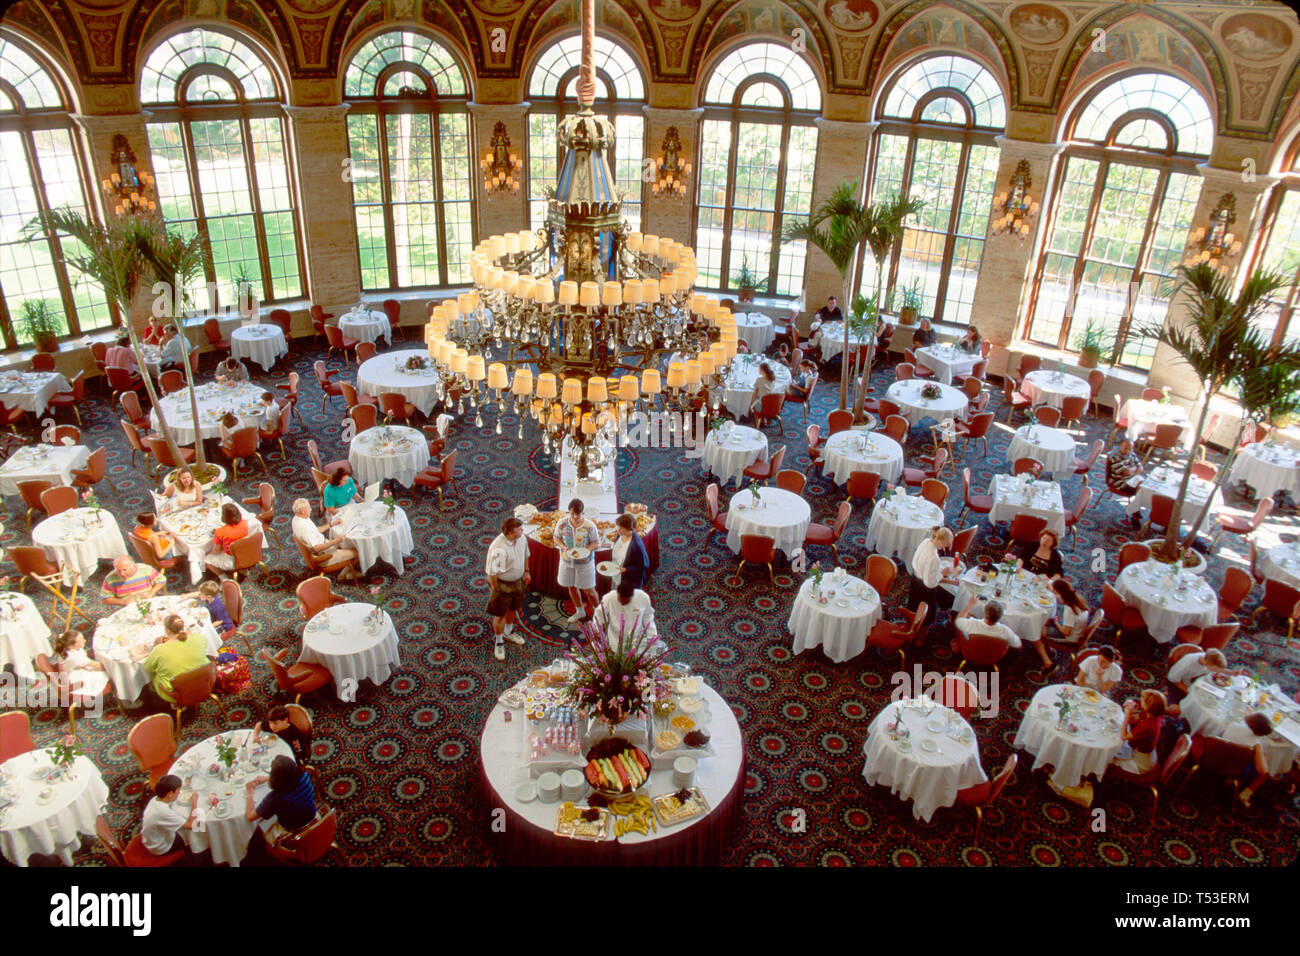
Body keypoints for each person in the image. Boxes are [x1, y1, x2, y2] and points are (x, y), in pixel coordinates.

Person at [243, 755, 317, 847]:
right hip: (311, 815)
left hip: (292, 829)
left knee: (260, 835)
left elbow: (250, 817)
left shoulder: (275, 798)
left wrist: (249, 791)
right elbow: (288, 778)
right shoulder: (304, 776)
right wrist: (268, 778)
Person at [485, 516, 530, 661]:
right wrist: (495, 590)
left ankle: (508, 632)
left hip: (518, 580)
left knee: (513, 608)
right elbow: (491, 574)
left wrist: (527, 571)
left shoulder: (522, 538)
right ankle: (499, 641)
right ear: (510, 533)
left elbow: (526, 555)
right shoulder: (498, 548)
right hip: (502, 583)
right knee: (500, 614)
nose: (523, 530)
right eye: (519, 529)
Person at [141, 614, 211, 707]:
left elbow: (147, 667)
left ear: (167, 630)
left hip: (177, 692)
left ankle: (169, 705)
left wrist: (155, 647)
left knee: (155, 676)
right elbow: (204, 646)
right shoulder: (198, 638)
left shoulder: (159, 650)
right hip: (204, 682)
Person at [291, 498, 360, 582]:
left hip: (322, 544)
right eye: (308, 508)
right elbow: (316, 548)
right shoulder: (304, 527)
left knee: (346, 543)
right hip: (323, 556)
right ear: (302, 511)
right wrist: (336, 540)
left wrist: (331, 524)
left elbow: (315, 530)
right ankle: (343, 575)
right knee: (357, 552)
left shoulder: (297, 519)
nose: (311, 509)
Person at [557, 498, 600, 629]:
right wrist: (564, 548)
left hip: (585, 563)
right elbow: (556, 538)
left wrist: (587, 550)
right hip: (567, 561)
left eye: (578, 514)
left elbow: (596, 542)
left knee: (589, 591)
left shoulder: (589, 526)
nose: (575, 517)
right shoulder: (562, 523)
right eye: (572, 514)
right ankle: (579, 611)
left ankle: (599, 615)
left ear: (582, 512)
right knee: (572, 587)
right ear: (569, 512)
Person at [1222, 712, 1276, 807]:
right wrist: (1259, 749)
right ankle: (1245, 794)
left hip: (1216, 756)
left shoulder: (1234, 725)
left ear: (1252, 724)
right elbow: (1263, 770)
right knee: (1268, 766)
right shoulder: (1255, 743)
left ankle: (1229, 779)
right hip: (1234, 766)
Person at [909, 527, 959, 627]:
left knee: (913, 607)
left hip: (915, 579)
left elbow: (918, 564)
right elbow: (930, 583)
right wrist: (943, 573)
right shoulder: (934, 558)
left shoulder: (926, 541)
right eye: (947, 545)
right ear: (941, 542)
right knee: (927, 616)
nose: (946, 548)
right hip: (924, 590)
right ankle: (921, 631)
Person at [593, 578, 660, 652]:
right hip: (615, 639)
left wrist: (652, 636)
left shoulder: (643, 597)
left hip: (636, 638)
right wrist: (596, 629)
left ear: (631, 596)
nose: (622, 603)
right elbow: (598, 614)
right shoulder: (610, 597)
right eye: (620, 600)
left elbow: (648, 617)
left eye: (625, 601)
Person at [141, 775, 198, 858]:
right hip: (160, 847)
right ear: (170, 794)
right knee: (192, 834)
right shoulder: (162, 811)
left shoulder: (155, 799)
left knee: (182, 822)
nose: (179, 793)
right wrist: (194, 801)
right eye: (178, 792)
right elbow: (191, 825)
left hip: (152, 838)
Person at [1111, 689, 1166, 774]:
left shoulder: (1148, 725)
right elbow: (1133, 721)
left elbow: (1123, 737)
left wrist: (1127, 715)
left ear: (1149, 705)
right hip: (1141, 751)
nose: (1140, 700)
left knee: (1109, 758)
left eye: (1142, 699)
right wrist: (1131, 712)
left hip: (1141, 763)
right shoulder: (1151, 713)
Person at [1167, 647, 1243, 704]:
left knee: (1216, 695)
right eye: (1214, 670)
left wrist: (1231, 672)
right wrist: (1189, 692)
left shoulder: (1208, 659)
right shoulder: (1187, 663)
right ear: (1206, 664)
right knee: (1186, 703)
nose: (1217, 671)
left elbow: (1217, 668)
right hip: (1177, 682)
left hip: (1192, 680)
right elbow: (1173, 678)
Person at [953, 594, 1023, 655]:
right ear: (1001, 616)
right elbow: (1018, 645)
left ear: (984, 612)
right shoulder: (1005, 630)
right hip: (993, 658)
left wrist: (970, 605)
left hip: (970, 653)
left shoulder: (972, 623)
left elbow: (958, 621)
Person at [52, 629, 110, 699]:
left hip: (68, 672)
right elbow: (99, 667)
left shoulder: (65, 647)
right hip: (75, 681)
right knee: (106, 674)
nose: (85, 640)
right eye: (81, 640)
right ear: (71, 646)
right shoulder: (75, 658)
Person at [1106, 438, 1145, 529]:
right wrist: (1135, 469)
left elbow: (1141, 468)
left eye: (1130, 449)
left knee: (1143, 488)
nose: (1128, 451)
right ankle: (1136, 514)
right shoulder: (1114, 456)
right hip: (1119, 482)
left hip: (1132, 479)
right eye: (1125, 448)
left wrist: (1133, 471)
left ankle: (1135, 512)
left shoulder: (1132, 454)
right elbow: (1125, 472)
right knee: (1141, 490)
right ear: (1121, 446)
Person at [204, 502, 249, 578]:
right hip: (245, 553)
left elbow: (216, 551)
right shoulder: (244, 523)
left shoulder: (220, 532)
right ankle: (243, 569)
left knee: (206, 560)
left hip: (232, 560)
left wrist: (207, 553)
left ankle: (224, 578)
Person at [1045, 578, 1094, 647]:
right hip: (1077, 631)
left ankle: (1048, 652)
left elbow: (1066, 632)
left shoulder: (1069, 609)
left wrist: (1056, 623)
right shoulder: (1078, 599)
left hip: (1070, 639)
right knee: (1049, 620)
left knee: (1040, 631)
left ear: (1057, 592)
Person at [101, 555, 166, 606]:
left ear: (132, 566)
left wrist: (151, 592)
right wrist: (122, 602)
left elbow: (162, 580)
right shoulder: (110, 578)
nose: (122, 574)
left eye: (124, 570)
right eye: (118, 571)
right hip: (129, 607)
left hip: (149, 601)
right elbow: (105, 598)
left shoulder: (145, 569)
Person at [611, 513, 649, 589]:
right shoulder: (620, 534)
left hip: (628, 580)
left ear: (630, 529)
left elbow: (643, 565)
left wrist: (626, 570)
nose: (618, 529)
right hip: (617, 573)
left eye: (622, 528)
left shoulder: (637, 545)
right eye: (618, 526)